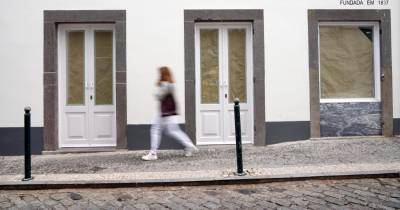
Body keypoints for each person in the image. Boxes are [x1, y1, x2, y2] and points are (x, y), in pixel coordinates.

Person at [142, 66, 198, 161]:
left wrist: (156, 92)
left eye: (160, 73)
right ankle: (189, 145)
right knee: (174, 130)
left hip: (164, 112)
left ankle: (153, 153)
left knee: (155, 130)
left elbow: (159, 96)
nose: (159, 75)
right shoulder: (171, 84)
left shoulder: (165, 85)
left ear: (163, 74)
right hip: (170, 111)